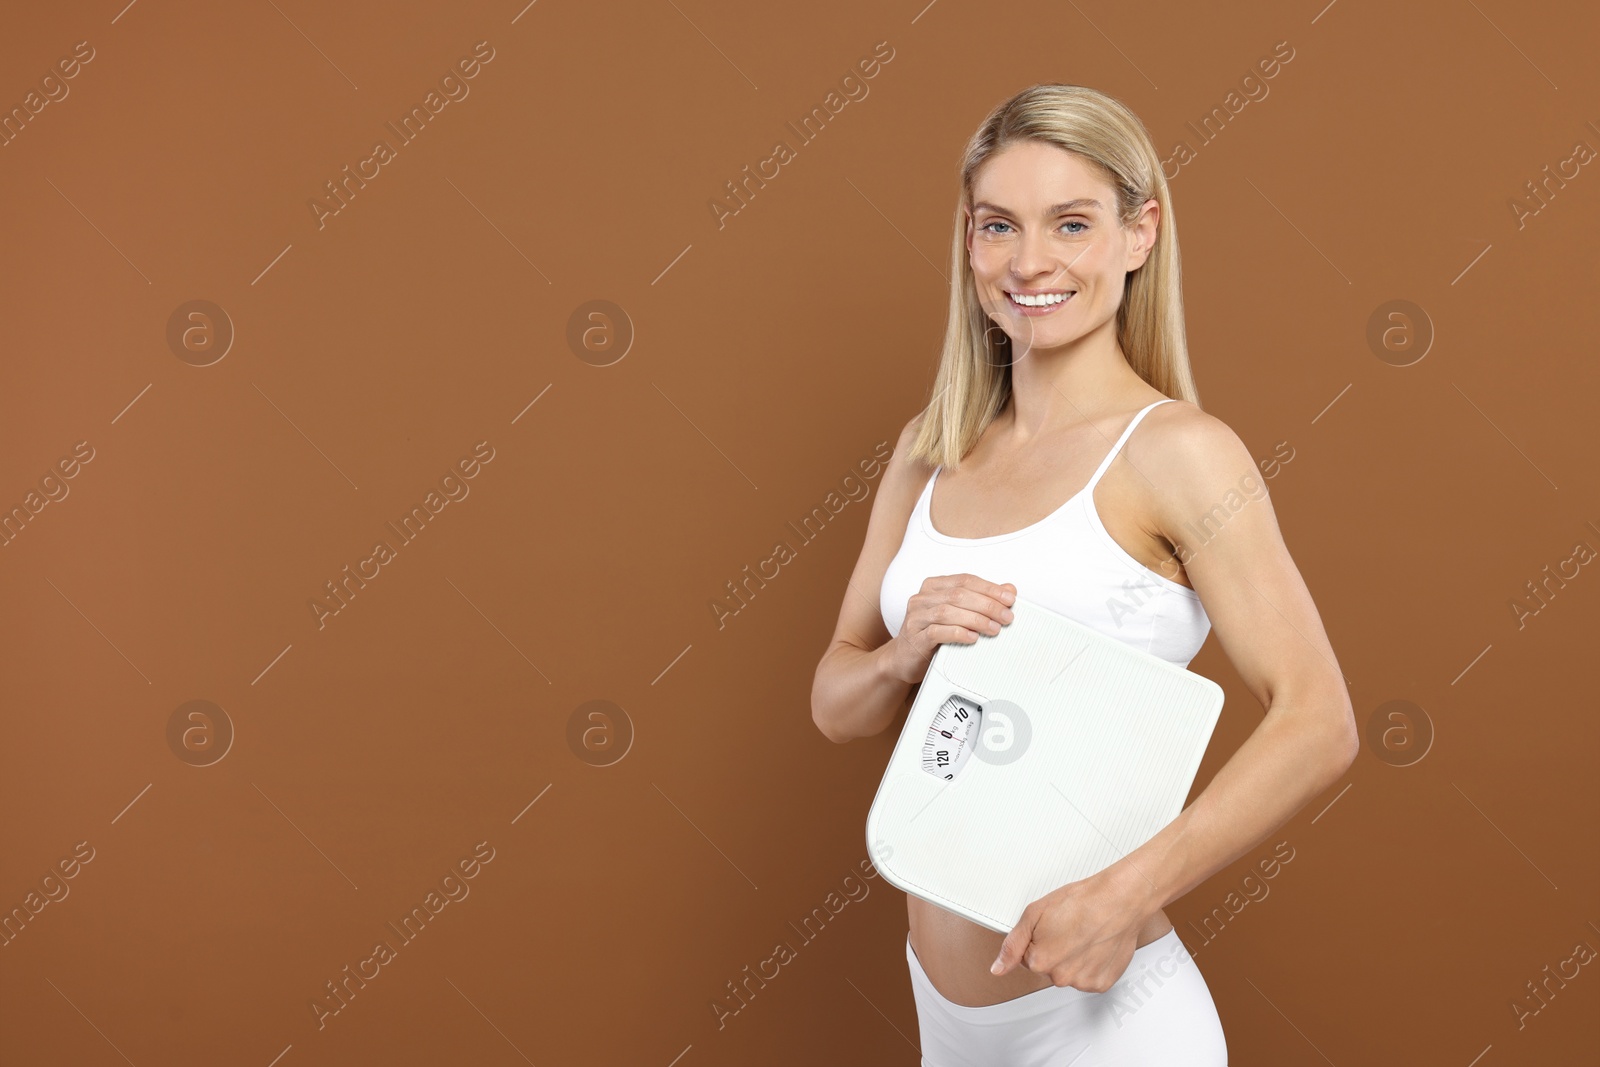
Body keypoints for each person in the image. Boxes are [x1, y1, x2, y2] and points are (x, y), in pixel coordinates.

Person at [810, 83, 1358, 1066]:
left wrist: (1126, 892)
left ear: (1139, 233)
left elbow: (1318, 718)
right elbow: (834, 701)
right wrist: (902, 658)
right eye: (997, 226)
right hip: (951, 1022)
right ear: (967, 241)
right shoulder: (927, 451)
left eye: (1071, 223)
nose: (1029, 262)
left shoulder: (1178, 452)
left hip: (1107, 1027)